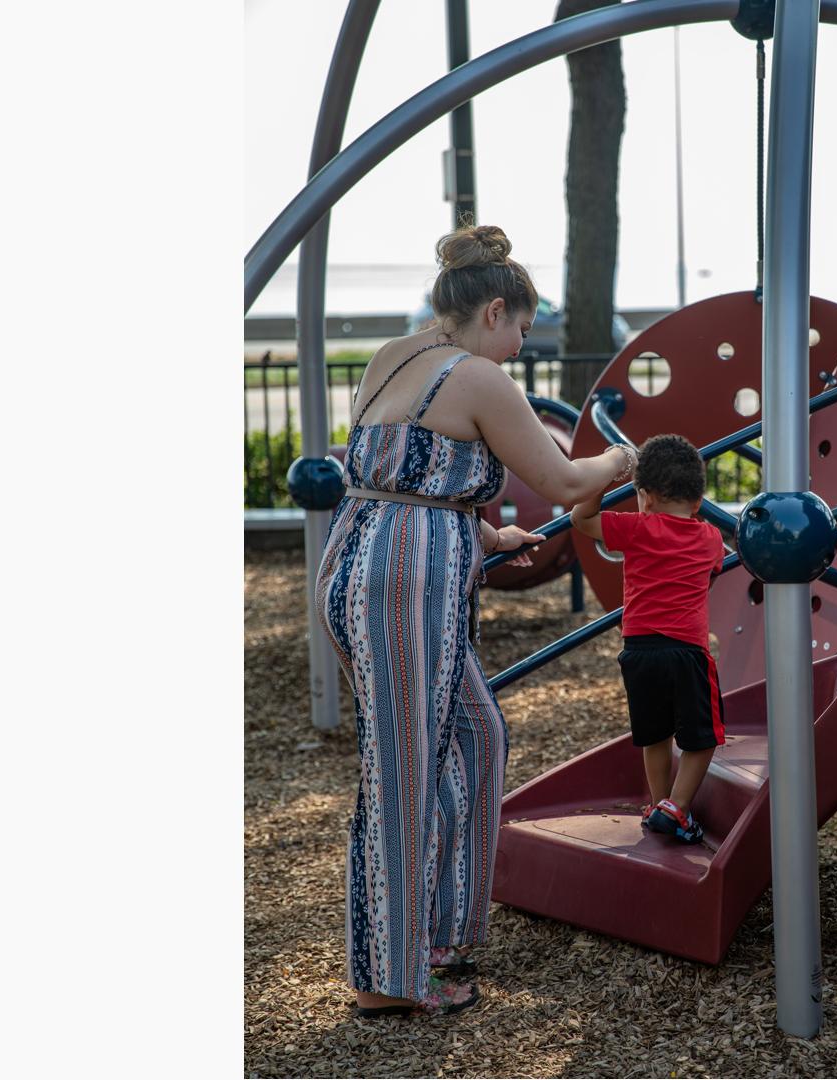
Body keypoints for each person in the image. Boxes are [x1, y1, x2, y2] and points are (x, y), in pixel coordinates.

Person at [317, 224, 637, 1018]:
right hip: (399, 583)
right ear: (495, 310)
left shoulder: (397, 354)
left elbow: (401, 470)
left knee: (476, 735)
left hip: (368, 560)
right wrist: (624, 461)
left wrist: (484, 531)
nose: (523, 348)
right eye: (523, 330)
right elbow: (565, 479)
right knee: (403, 771)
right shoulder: (482, 378)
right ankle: (389, 976)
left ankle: (438, 936)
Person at [571, 434, 725, 844]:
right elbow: (713, 569)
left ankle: (660, 804)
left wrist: (601, 479)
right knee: (704, 738)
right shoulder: (710, 538)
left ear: (645, 497)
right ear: (697, 502)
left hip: (638, 650)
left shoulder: (635, 528)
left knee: (654, 735)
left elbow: (580, 519)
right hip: (687, 651)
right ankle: (677, 808)